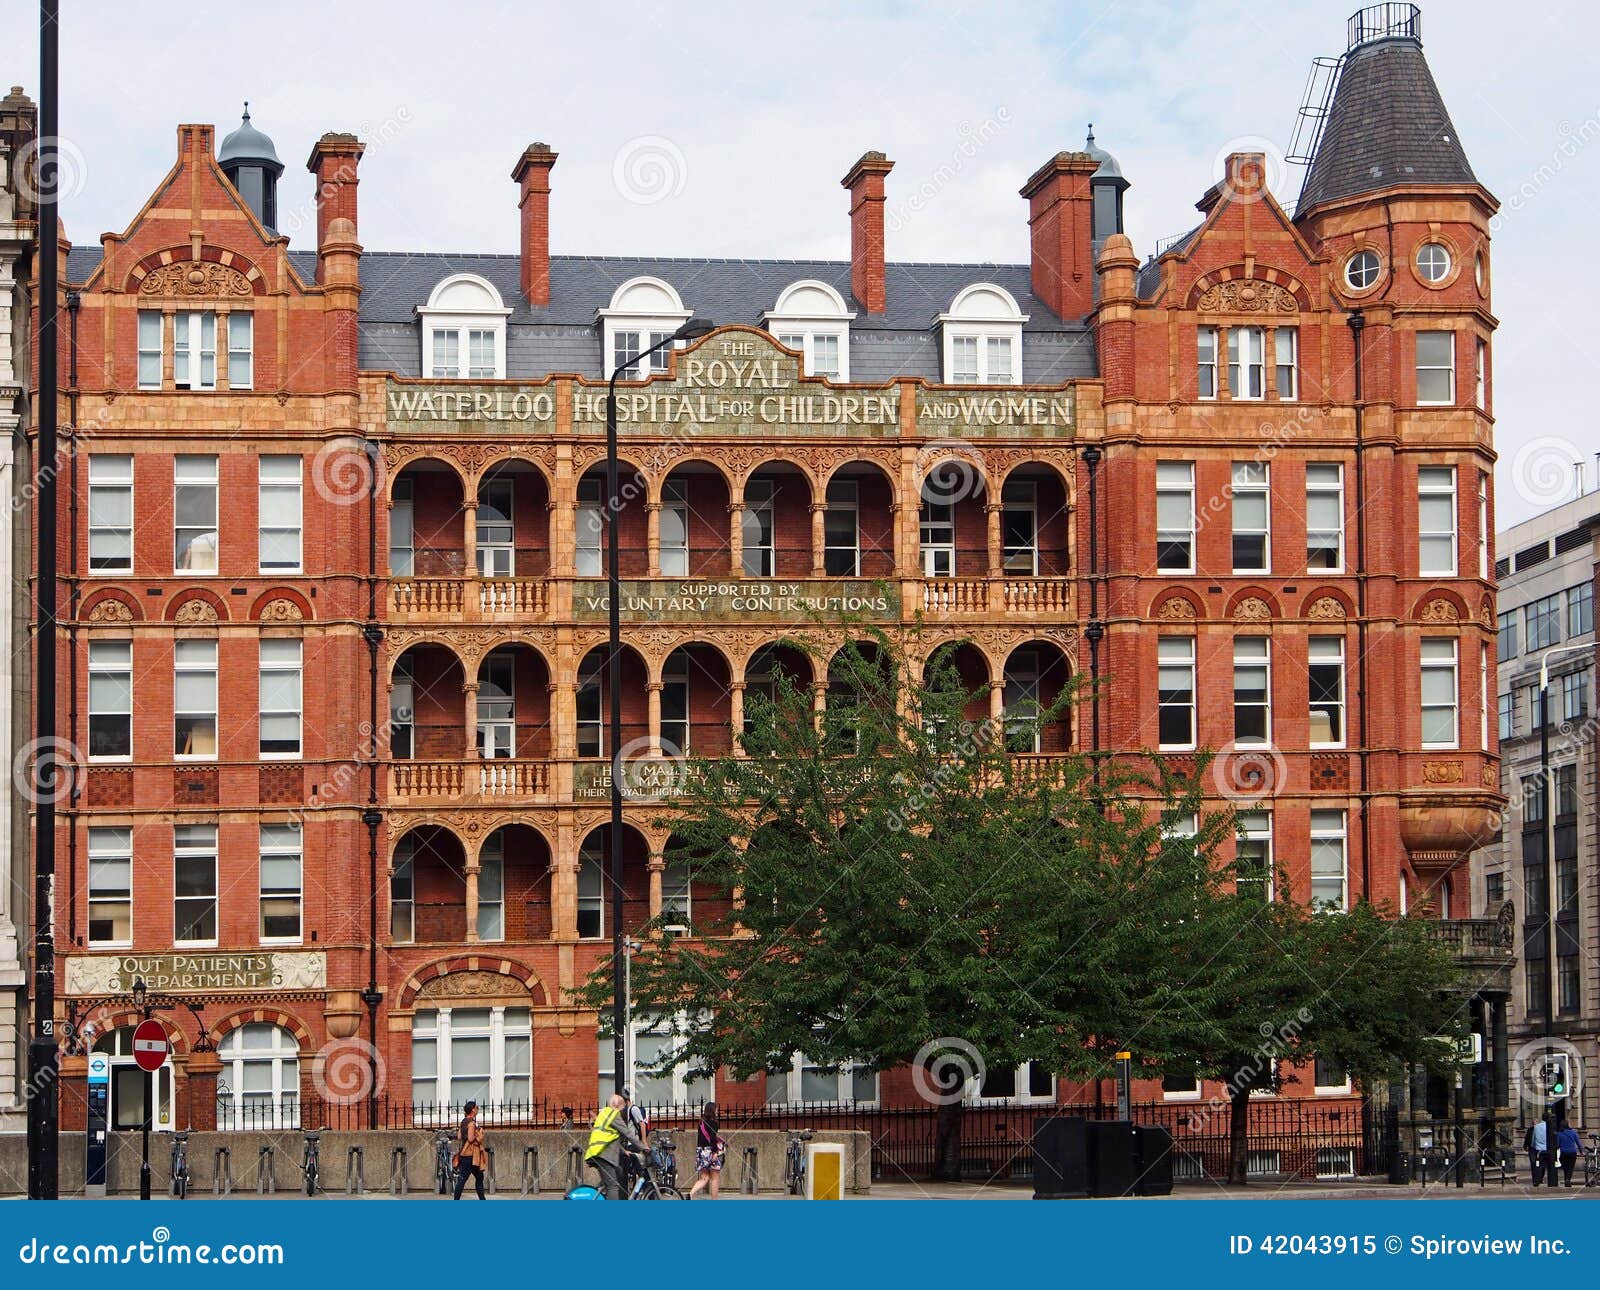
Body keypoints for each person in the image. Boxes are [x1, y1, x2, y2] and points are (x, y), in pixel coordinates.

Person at [585, 1092, 645, 1199]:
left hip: (597, 1152)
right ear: (617, 1106)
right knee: (613, 1186)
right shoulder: (613, 1115)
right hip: (603, 1154)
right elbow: (627, 1133)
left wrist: (623, 1151)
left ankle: (602, 1190)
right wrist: (644, 1147)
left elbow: (609, 1136)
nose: (623, 1110)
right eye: (622, 1107)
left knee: (618, 1171)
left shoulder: (604, 1113)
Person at [687, 1101, 727, 1200]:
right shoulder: (713, 1122)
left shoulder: (701, 1123)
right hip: (710, 1151)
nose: (717, 1111)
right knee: (715, 1177)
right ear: (713, 1110)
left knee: (704, 1178)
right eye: (716, 1109)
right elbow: (713, 1139)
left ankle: (690, 1193)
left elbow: (701, 1139)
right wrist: (715, 1152)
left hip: (701, 1152)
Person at [452, 1100, 488, 1200]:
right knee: (464, 1179)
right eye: (477, 1108)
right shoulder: (472, 1123)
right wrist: (479, 1134)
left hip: (464, 1153)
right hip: (471, 1156)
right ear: (472, 1109)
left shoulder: (463, 1122)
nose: (477, 1110)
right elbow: (471, 1138)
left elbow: (459, 1136)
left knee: (475, 1177)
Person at [1557, 1120, 1583, 1188]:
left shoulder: (1559, 1134)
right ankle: (1568, 1179)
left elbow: (1557, 1144)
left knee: (1565, 1168)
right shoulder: (1573, 1132)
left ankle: (1566, 1179)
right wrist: (1581, 1151)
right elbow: (1578, 1143)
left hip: (1563, 1153)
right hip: (1572, 1152)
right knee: (1570, 1167)